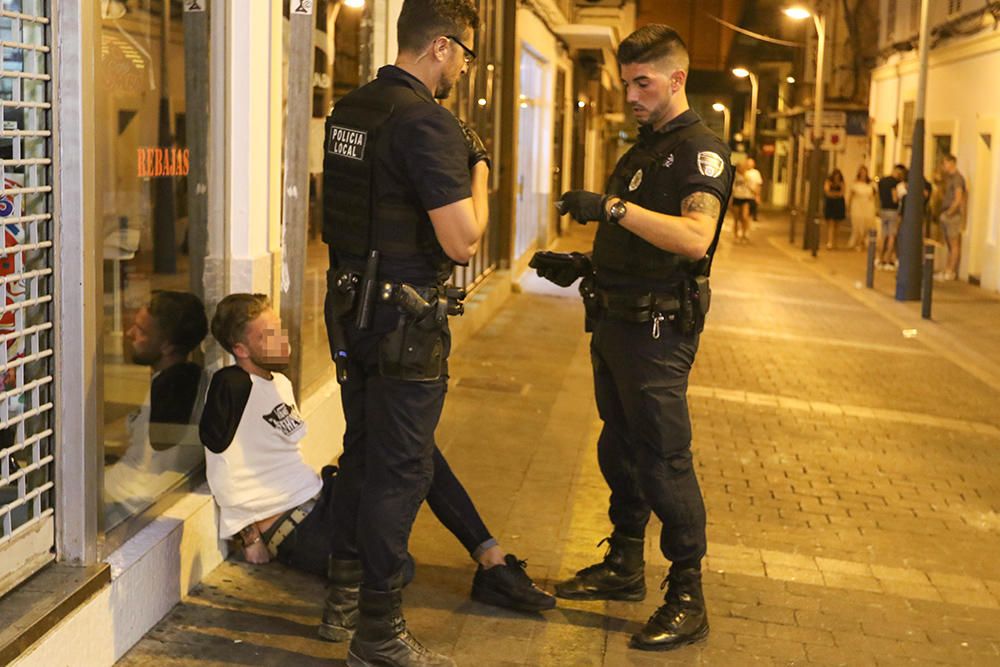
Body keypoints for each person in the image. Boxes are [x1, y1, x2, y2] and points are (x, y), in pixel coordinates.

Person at [320, 2, 546, 665]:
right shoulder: (428, 122)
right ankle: (380, 631)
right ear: (443, 48)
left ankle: (343, 593)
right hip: (404, 324)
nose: (465, 70)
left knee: (362, 454)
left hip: (351, 312)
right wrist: (478, 169)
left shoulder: (350, 110)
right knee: (401, 470)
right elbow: (461, 240)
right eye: (467, 56)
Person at [543, 24, 732, 652]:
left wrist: (612, 209)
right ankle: (625, 564)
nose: (631, 94)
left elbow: (693, 238)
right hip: (617, 321)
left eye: (642, 82)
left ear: (676, 79)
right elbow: (641, 241)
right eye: (627, 82)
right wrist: (587, 264)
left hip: (657, 331)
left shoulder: (700, 152)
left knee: (664, 459)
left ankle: (687, 595)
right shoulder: (645, 147)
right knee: (619, 449)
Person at [104, 291, 208, 528]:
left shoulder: (169, 390)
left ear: (168, 346)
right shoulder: (190, 380)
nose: (130, 333)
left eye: (141, 331)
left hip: (126, 503)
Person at [935, 154, 966, 281]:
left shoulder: (958, 179)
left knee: (954, 244)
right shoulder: (949, 178)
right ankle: (947, 269)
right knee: (948, 243)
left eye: (945, 163)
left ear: (952, 162)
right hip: (947, 212)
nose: (944, 166)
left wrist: (949, 212)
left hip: (952, 215)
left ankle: (951, 271)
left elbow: (959, 198)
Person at [876, 165, 903, 269]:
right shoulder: (895, 183)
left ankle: (879, 258)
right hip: (892, 210)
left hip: (883, 209)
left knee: (883, 235)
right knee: (891, 236)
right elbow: (895, 198)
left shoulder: (882, 181)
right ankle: (887, 259)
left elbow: (879, 196)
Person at [846, 165, 876, 251]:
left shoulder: (870, 184)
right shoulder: (855, 183)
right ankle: (857, 242)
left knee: (867, 224)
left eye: (864, 172)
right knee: (858, 225)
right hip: (857, 205)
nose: (863, 174)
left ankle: (863, 241)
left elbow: (873, 195)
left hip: (868, 206)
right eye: (861, 172)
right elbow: (851, 195)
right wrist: (848, 205)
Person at [729, 160, 754, 243]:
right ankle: (736, 236)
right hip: (737, 197)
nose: (742, 169)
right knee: (736, 218)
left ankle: (744, 234)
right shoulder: (734, 176)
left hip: (746, 197)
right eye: (740, 167)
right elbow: (731, 188)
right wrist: (730, 200)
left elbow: (752, 187)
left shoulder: (748, 176)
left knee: (744, 216)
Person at [823, 168, 846, 250]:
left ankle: (835, 243)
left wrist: (834, 194)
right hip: (831, 204)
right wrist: (836, 194)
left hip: (839, 204)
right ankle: (830, 242)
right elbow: (827, 192)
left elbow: (842, 193)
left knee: (837, 225)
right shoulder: (828, 182)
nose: (837, 178)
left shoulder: (841, 183)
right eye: (835, 176)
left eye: (838, 177)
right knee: (831, 224)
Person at [745, 157, 763, 222]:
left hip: (752, 195)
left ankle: (747, 227)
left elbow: (759, 184)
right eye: (748, 163)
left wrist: (757, 195)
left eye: (750, 163)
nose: (749, 164)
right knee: (745, 214)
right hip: (744, 196)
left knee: (751, 213)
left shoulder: (756, 173)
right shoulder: (744, 172)